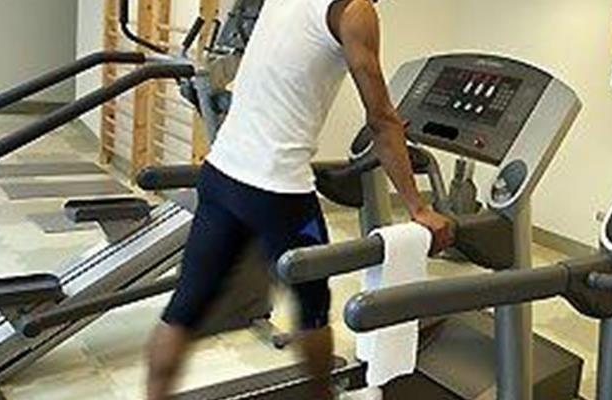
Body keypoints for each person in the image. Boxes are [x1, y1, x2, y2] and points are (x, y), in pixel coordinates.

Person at [144, 0, 455, 399]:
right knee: (313, 310)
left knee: (184, 309)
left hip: (220, 175)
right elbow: (381, 120)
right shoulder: (356, 11)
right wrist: (419, 208)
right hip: (279, 192)